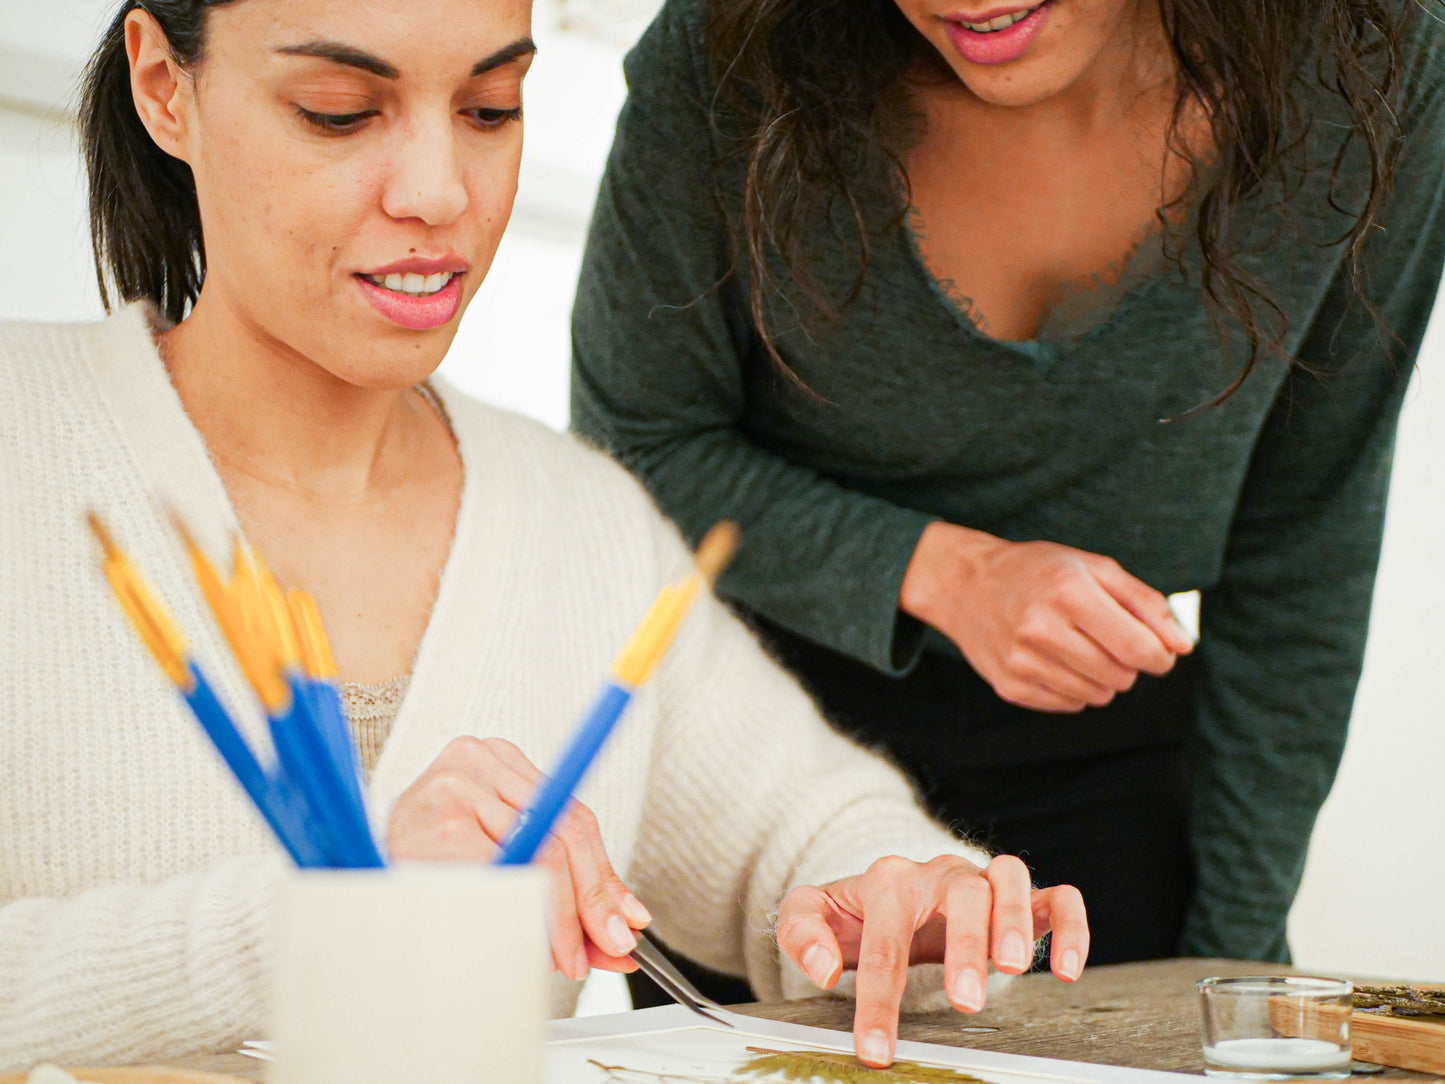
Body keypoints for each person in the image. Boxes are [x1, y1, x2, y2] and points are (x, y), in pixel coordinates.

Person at [0, 0, 1091, 1071]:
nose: (439, 193)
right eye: (339, 111)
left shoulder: (579, 520)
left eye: (489, 107)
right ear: (164, 87)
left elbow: (809, 831)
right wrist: (326, 920)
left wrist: (902, 897)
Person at [569, 0, 1445, 999]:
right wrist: (943, 573)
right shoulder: (727, 49)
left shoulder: (1373, 59)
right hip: (764, 766)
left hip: (1114, 780)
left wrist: (1233, 967)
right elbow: (636, 453)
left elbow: (1303, 539)